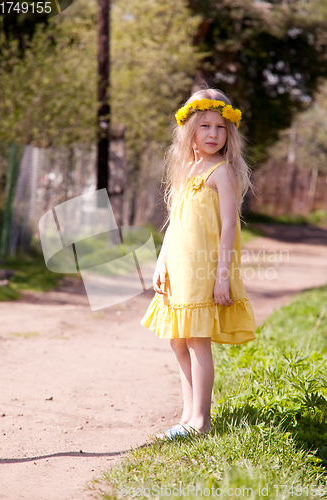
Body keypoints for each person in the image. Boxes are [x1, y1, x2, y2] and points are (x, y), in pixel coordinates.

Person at [140, 88, 257, 439]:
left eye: (220, 127)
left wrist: (222, 278)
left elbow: (227, 231)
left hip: (203, 269)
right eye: (204, 126)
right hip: (178, 265)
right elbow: (175, 222)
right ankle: (187, 416)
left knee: (196, 340)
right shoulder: (187, 169)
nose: (212, 134)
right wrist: (161, 261)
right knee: (178, 339)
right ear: (189, 129)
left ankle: (202, 422)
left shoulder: (221, 172)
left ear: (229, 133)